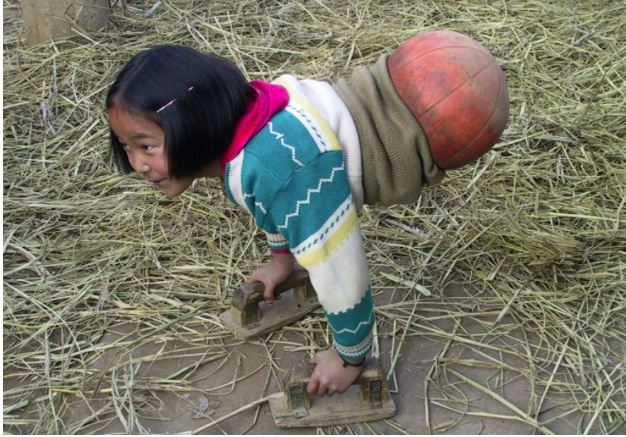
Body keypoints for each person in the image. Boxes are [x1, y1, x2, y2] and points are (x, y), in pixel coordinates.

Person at [106, 44, 446, 397]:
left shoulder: (280, 166)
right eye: (126, 146)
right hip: (409, 79)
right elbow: (274, 204)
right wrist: (282, 262)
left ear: (193, 124)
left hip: (424, 124)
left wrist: (350, 357)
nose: (137, 164)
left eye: (147, 146)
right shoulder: (252, 122)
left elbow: (337, 261)